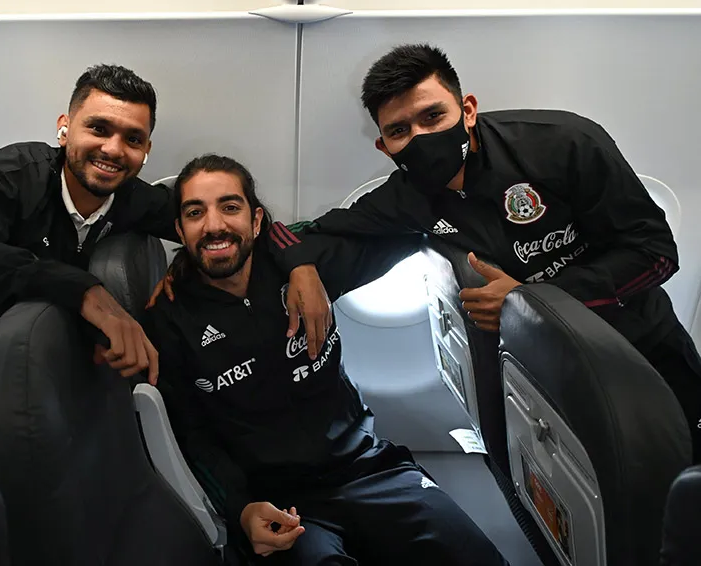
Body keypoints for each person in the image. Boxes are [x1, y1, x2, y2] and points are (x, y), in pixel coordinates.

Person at [275, 43, 701, 462]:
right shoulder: (407, 199)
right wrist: (300, 267)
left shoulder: (562, 144)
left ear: (468, 110)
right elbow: (314, 232)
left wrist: (531, 302)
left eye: (432, 116)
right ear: (384, 147)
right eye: (400, 131)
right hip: (549, 372)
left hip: (639, 347)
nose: (420, 138)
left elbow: (656, 252)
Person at [144, 154, 509, 565]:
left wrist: (300, 259)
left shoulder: (305, 263)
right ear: (179, 229)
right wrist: (241, 509)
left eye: (230, 207)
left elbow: (404, 225)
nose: (214, 226)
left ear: (258, 220)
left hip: (367, 468)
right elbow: (192, 435)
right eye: (196, 213)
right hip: (282, 501)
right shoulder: (168, 321)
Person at [0, 64, 179, 459]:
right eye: (99, 129)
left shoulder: (132, 197)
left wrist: (295, 262)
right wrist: (81, 289)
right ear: (65, 127)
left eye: (132, 138)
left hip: (53, 378)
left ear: (146, 151)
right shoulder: (13, 178)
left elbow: (216, 224)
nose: (114, 149)